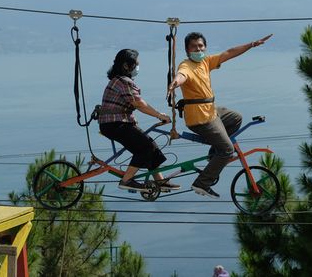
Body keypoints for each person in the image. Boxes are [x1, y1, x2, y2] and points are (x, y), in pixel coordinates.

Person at [168, 32, 272, 198]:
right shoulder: (186, 65)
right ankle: (202, 183)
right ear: (187, 50)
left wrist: (252, 44)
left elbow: (229, 53)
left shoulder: (206, 61)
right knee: (227, 150)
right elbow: (182, 75)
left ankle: (213, 154)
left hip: (211, 111)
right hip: (200, 119)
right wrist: (175, 82)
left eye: (201, 46)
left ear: (205, 47)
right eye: (194, 46)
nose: (198, 49)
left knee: (236, 118)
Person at [98, 49, 179, 192]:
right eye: (136, 64)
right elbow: (139, 104)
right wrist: (159, 115)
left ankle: (159, 181)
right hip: (115, 124)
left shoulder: (118, 80)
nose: (138, 68)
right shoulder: (124, 82)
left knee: (150, 146)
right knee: (146, 147)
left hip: (116, 123)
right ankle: (127, 180)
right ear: (126, 65)